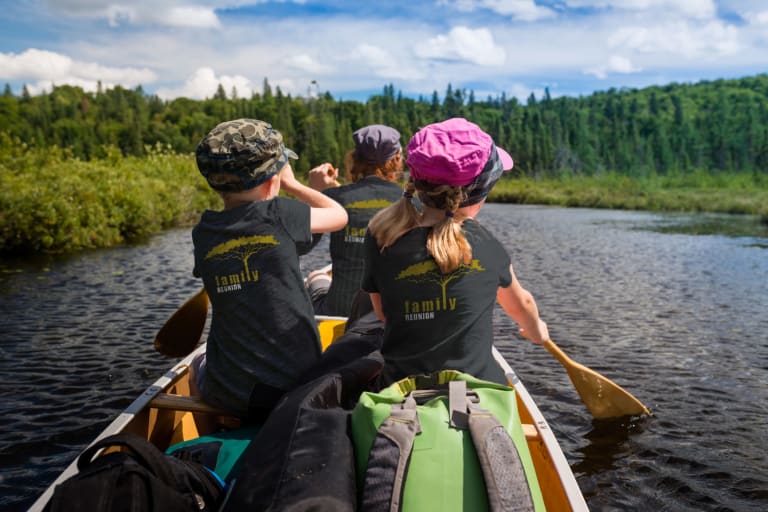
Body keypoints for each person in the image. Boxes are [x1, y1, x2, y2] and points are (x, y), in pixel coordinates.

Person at [362, 117, 550, 386]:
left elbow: (384, 314)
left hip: (399, 387)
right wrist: (536, 330)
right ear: (481, 191)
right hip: (478, 389)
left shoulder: (381, 236)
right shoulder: (485, 244)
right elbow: (523, 305)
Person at [189, 118, 348, 429]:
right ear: (272, 180)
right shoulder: (281, 215)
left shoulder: (203, 232)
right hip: (294, 387)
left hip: (229, 393)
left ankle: (207, 439)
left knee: (196, 366)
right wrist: (295, 185)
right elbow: (340, 216)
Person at [305, 124, 406, 317]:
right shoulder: (411, 202)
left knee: (316, 275)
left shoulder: (334, 198)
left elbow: (304, 243)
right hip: (390, 311)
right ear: (397, 159)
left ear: (354, 158)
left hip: (341, 309)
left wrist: (316, 194)